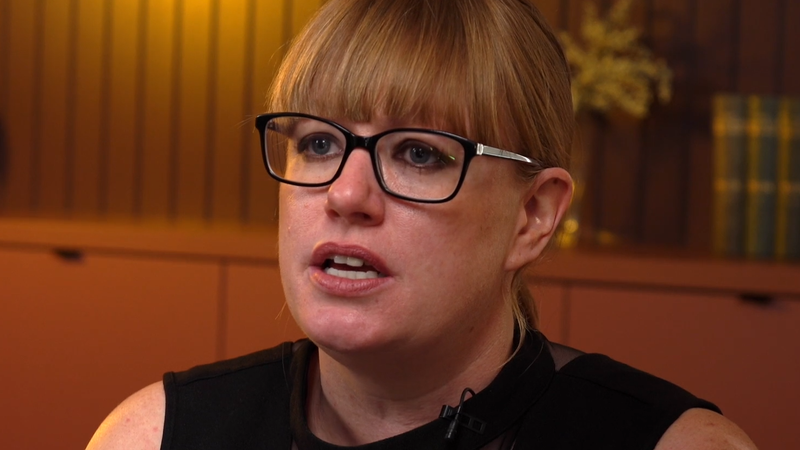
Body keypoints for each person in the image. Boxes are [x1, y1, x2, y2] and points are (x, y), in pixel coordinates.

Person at [87, 0, 758, 448]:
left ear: (533, 215)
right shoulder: (154, 436)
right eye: (318, 143)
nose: (347, 195)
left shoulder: (677, 444)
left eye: (418, 154)